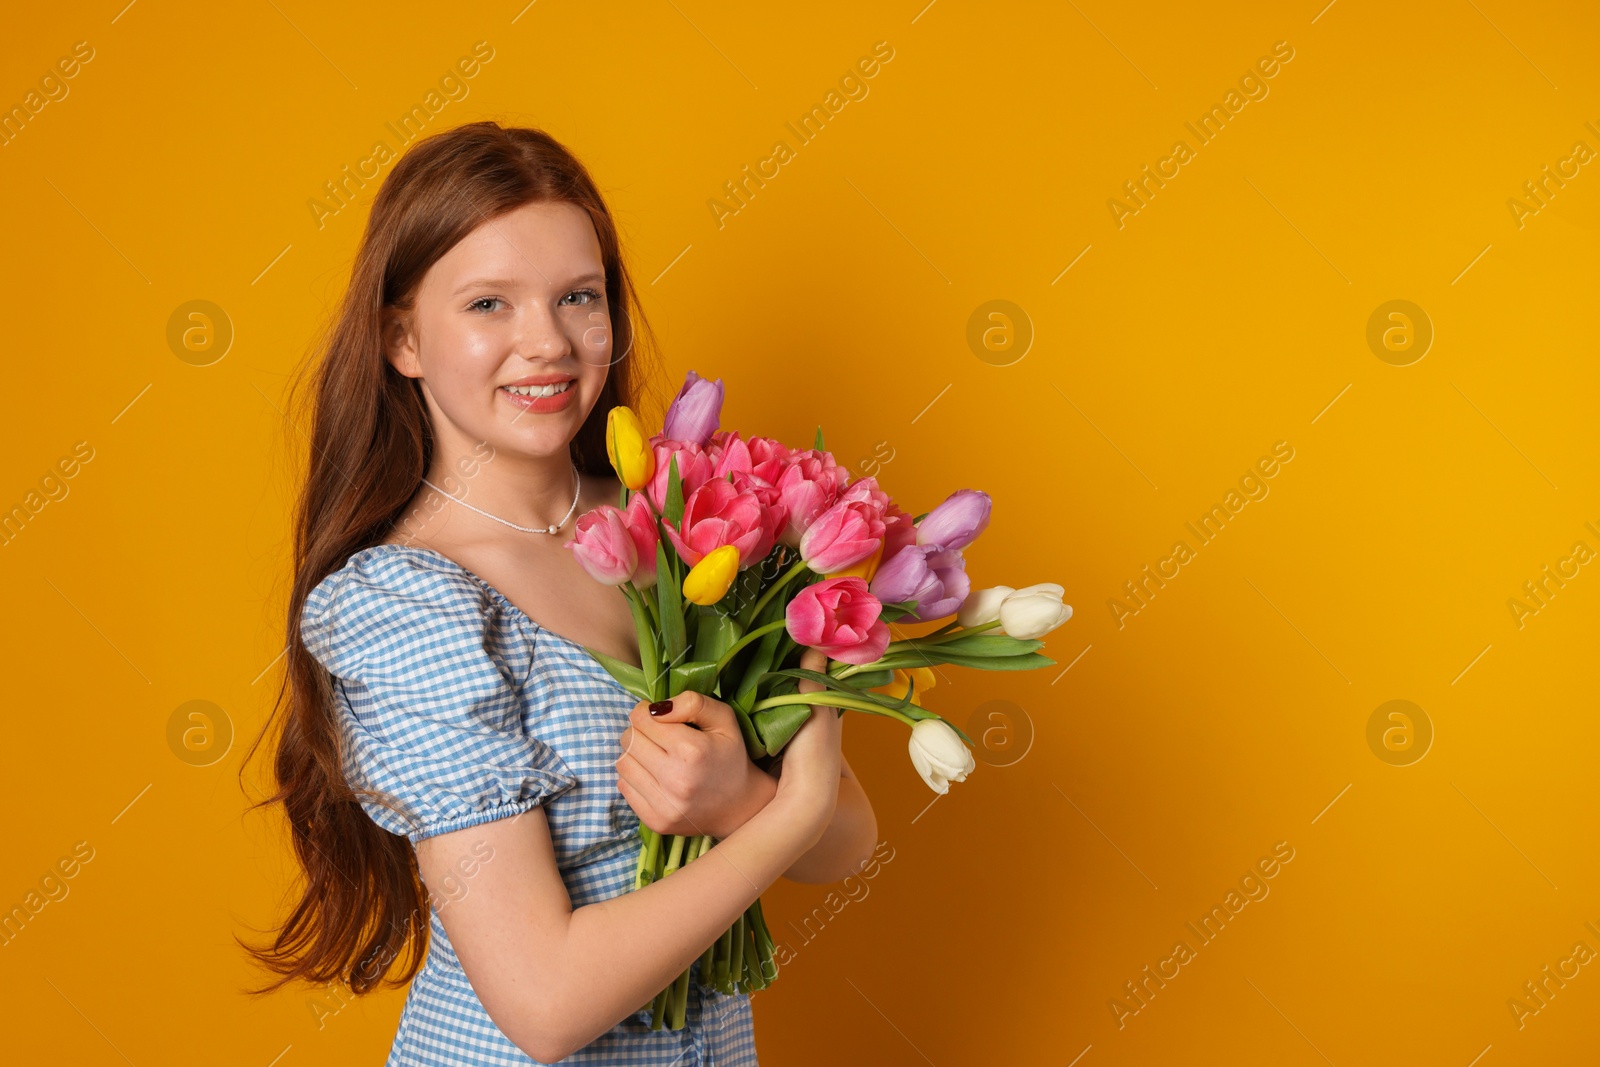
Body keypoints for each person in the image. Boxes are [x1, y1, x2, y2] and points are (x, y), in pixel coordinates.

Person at [246, 120, 878, 1065]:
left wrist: (736, 797)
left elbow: (848, 842)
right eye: (489, 303)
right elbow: (543, 1004)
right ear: (402, 338)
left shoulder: (689, 526)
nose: (546, 343)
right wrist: (782, 811)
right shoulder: (401, 604)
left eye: (578, 297)